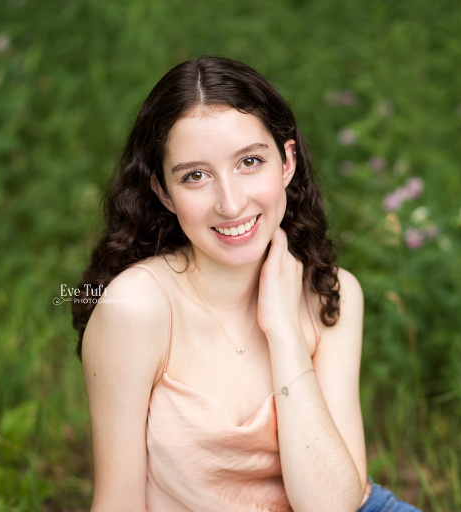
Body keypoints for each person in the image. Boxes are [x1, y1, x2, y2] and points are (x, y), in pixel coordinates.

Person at [72, 56, 422, 512]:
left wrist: (285, 332)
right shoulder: (135, 308)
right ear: (163, 192)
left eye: (250, 162)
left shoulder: (331, 293)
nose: (231, 202)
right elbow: (117, 504)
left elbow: (337, 504)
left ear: (286, 163)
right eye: (195, 176)